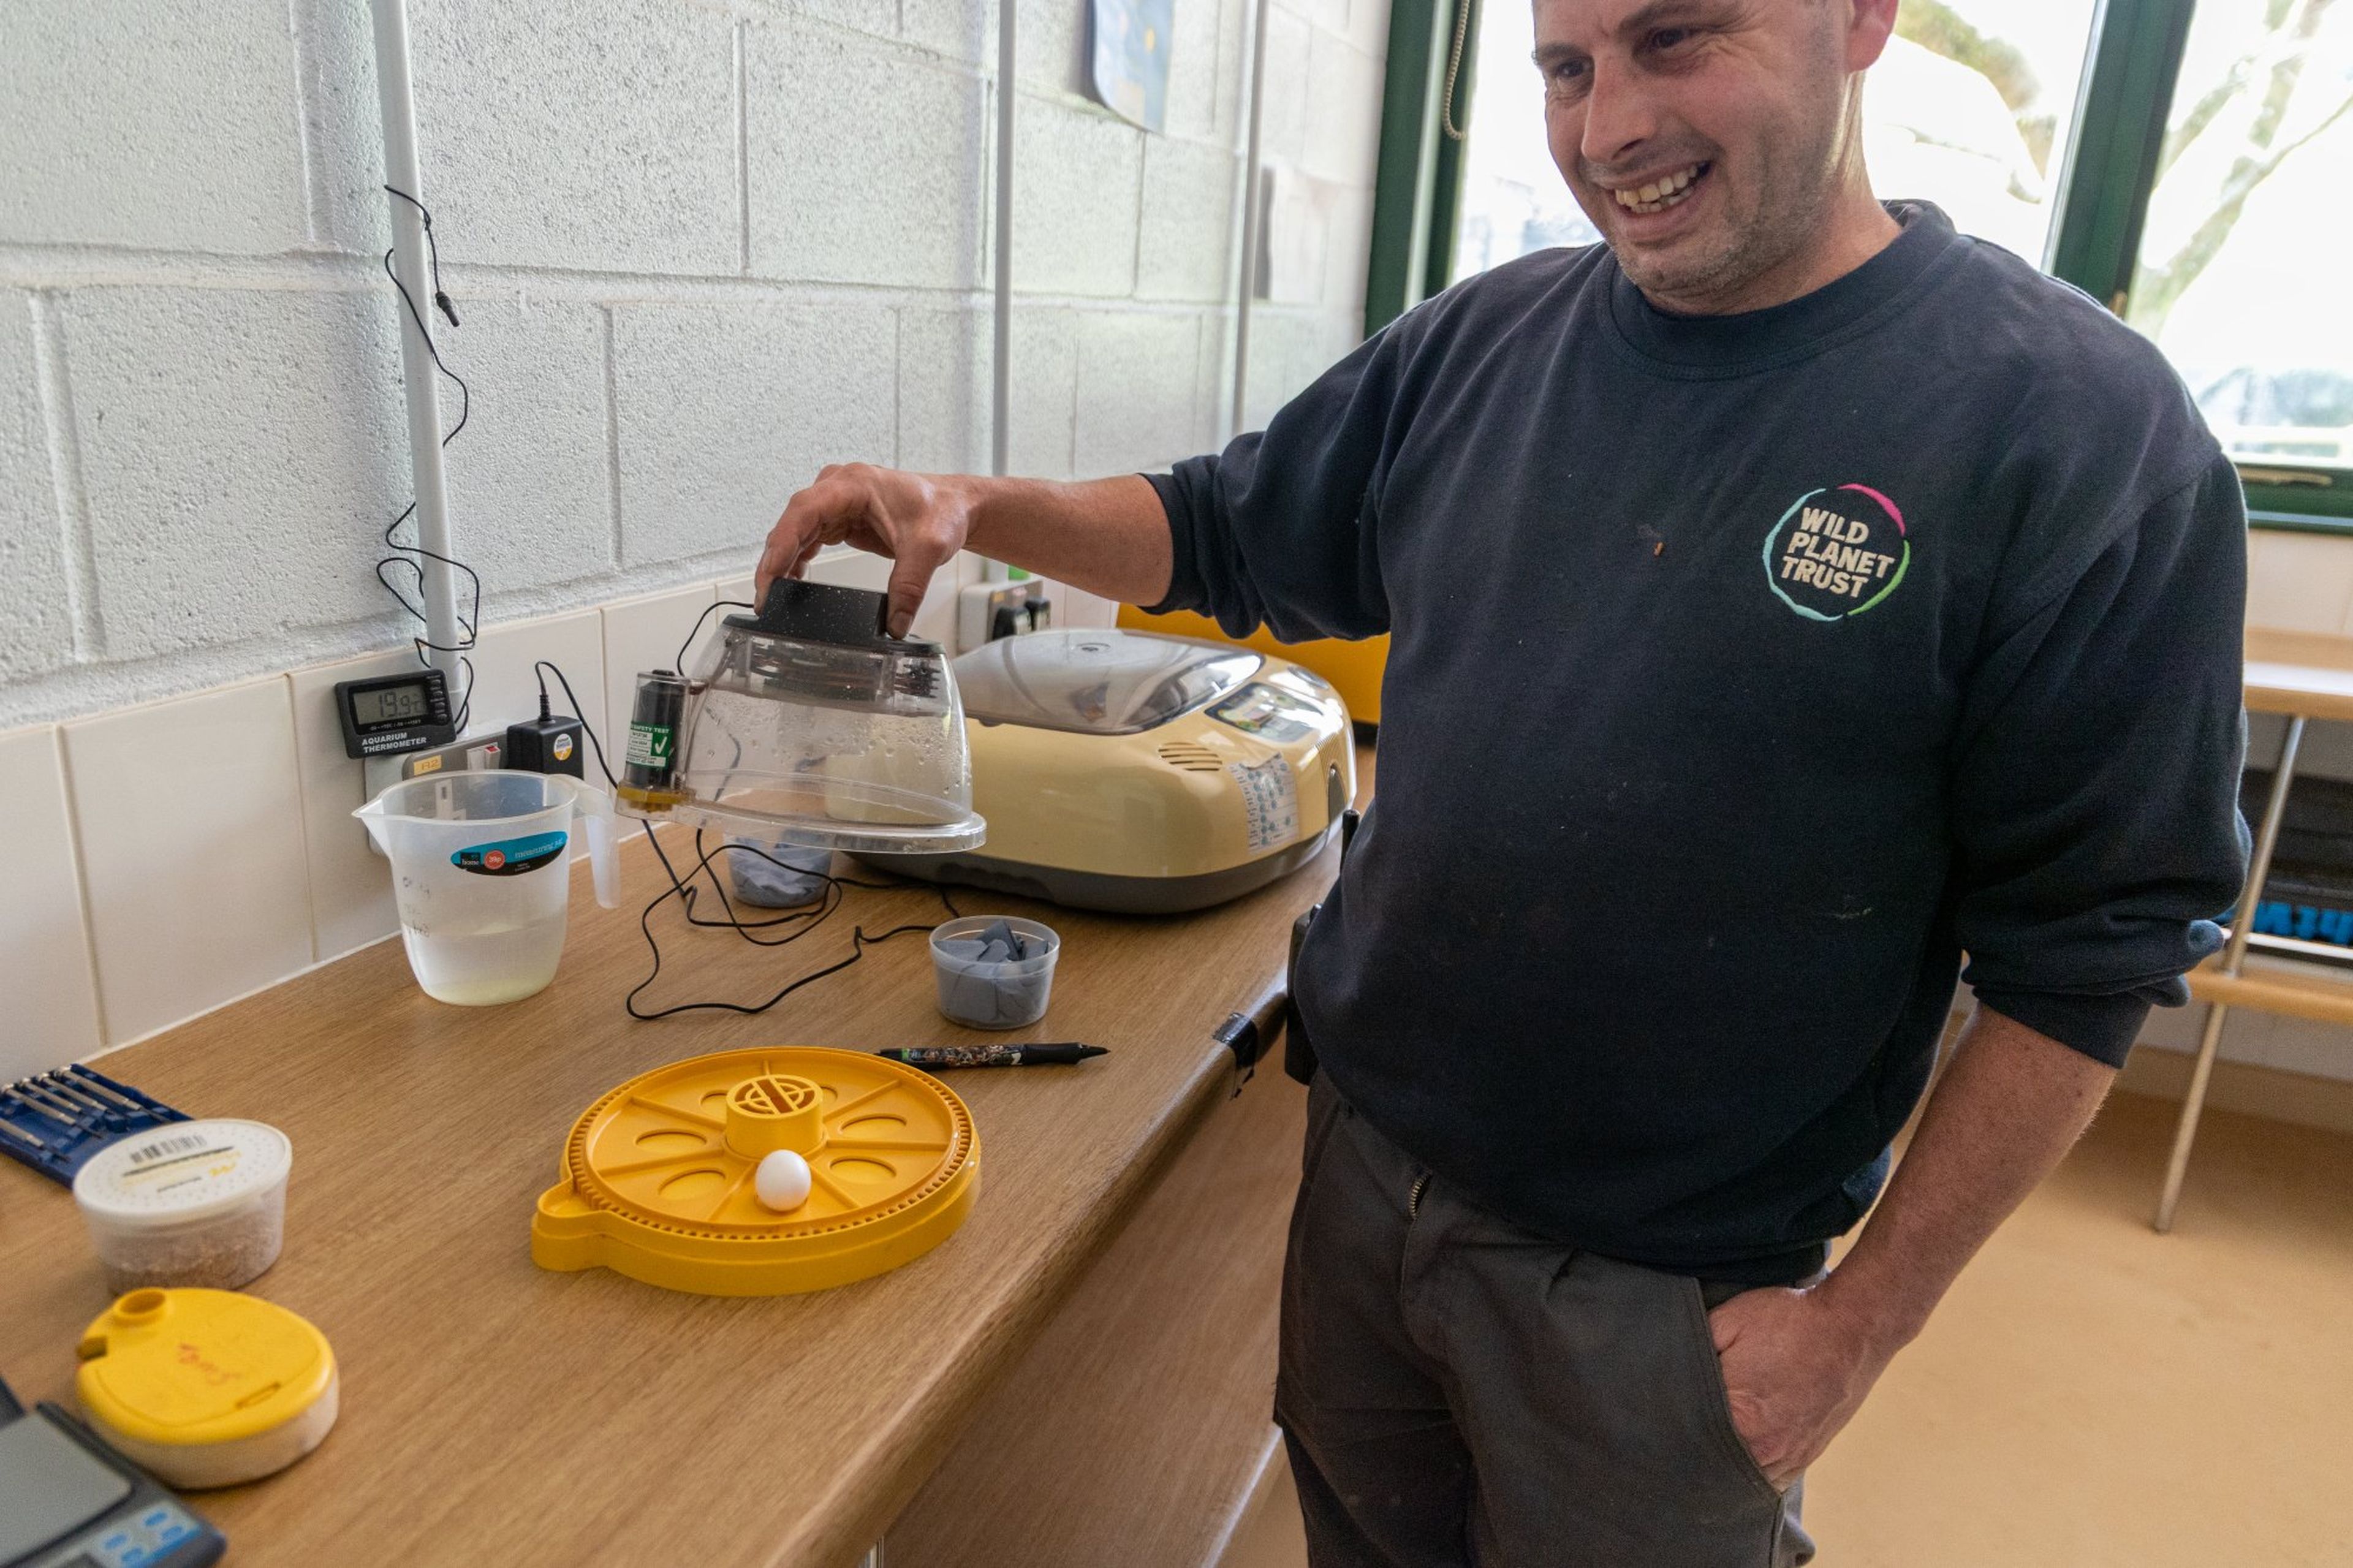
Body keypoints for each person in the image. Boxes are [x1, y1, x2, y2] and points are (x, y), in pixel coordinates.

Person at [756, 0, 2249, 1560]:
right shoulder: (1485, 344)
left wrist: (1861, 1323)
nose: (1608, 131)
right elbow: (1223, 528)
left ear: (1862, 18)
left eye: (1676, 40)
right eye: (1565, 68)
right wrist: (974, 504)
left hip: (1665, 1297)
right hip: (1366, 1189)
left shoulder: (2078, 432)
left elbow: (2094, 951)